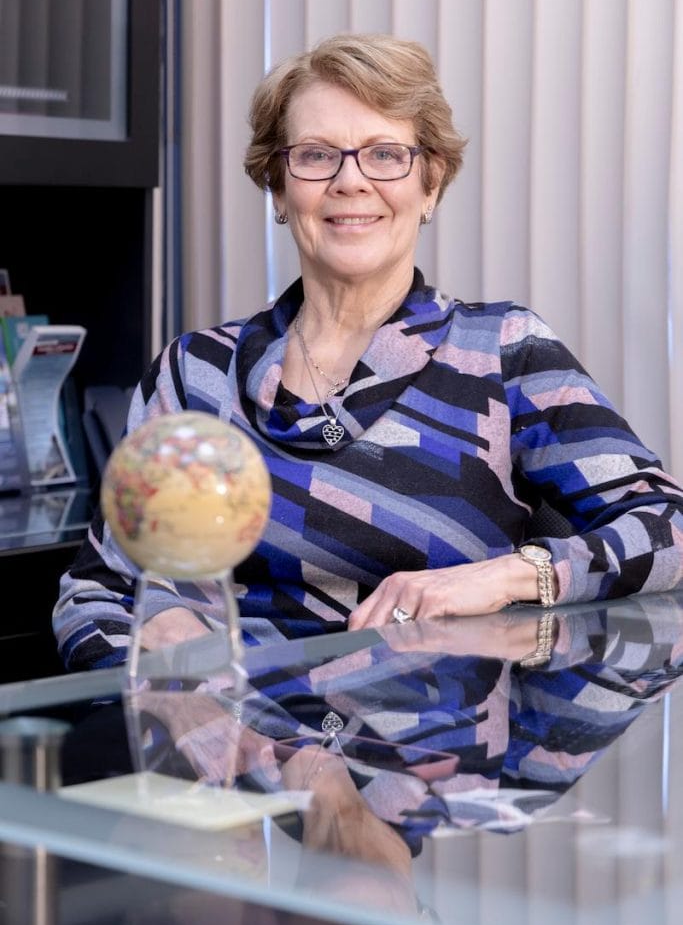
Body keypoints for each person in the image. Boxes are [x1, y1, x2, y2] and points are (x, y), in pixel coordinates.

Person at [53, 33, 683, 672]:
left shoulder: (502, 353)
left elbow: (668, 528)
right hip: (230, 745)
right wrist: (170, 646)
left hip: (425, 753)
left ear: (431, 184)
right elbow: (95, 592)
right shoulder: (195, 375)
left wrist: (505, 577)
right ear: (278, 188)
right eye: (317, 155)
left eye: (385, 154)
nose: (350, 181)